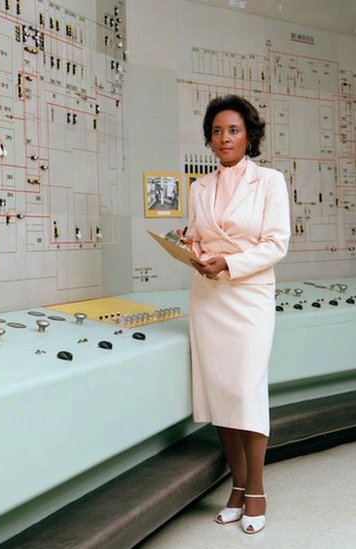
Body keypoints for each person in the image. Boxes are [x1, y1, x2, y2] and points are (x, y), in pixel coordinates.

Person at [178, 95, 290, 534]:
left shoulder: (270, 182)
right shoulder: (198, 188)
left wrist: (229, 262)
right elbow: (197, 236)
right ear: (209, 138)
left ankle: (258, 489)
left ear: (250, 136)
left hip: (248, 296)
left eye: (234, 130)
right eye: (218, 131)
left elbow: (276, 243)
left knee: (246, 389)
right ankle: (238, 486)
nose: (225, 138)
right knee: (220, 391)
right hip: (208, 297)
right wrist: (191, 249)